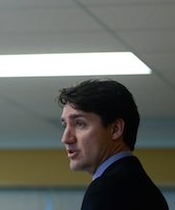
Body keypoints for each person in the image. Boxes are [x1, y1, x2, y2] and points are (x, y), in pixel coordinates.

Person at [58, 78, 169, 210]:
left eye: (80, 124)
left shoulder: (106, 190)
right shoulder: (140, 186)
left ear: (115, 129)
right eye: (65, 125)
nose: (66, 138)